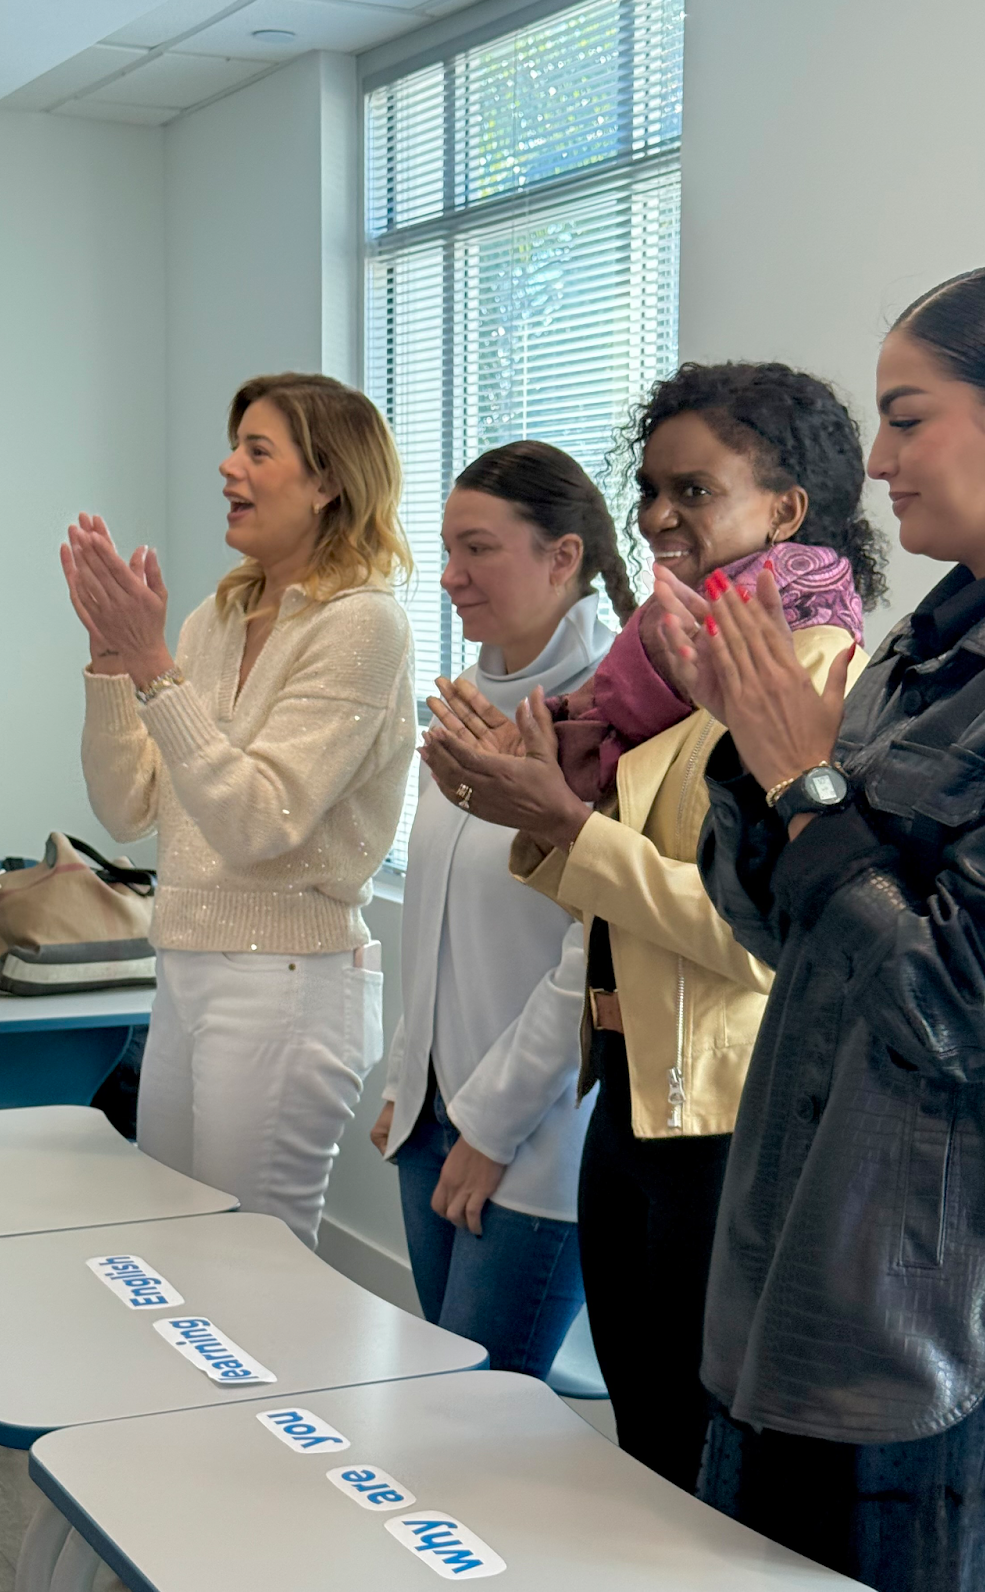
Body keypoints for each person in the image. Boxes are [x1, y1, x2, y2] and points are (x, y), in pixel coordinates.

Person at [661, 260, 985, 1592]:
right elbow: (796, 937)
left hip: (969, 1318)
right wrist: (751, 751)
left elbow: (969, 998)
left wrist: (806, 786)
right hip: (835, 1265)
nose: (875, 459)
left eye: (907, 415)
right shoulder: (928, 641)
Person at [421, 362, 882, 1488]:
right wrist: (536, 808)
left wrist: (566, 823)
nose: (661, 518)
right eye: (650, 490)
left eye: (695, 490)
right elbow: (616, 909)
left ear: (786, 510)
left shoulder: (810, 668)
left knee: (698, 1467)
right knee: (642, 1447)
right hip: (628, 1099)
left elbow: (751, 933)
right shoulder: (667, 678)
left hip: (726, 1122)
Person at [62, 372, 415, 1249]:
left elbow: (261, 821)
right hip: (187, 966)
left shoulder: (363, 625)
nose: (228, 467)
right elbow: (127, 806)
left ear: (329, 480)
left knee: (250, 1272)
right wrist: (114, 661)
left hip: (288, 984)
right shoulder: (217, 617)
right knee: (177, 1250)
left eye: (258, 451)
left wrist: (152, 670)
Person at [371, 441, 633, 1376]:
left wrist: (488, 1125)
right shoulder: (469, 702)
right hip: (436, 1116)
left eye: (477, 548)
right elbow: (437, 913)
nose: (449, 577)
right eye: (446, 549)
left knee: (478, 1416)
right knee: (442, 1393)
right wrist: (411, 1082)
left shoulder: (615, 711)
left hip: (532, 1133)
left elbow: (593, 951)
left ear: (563, 557)